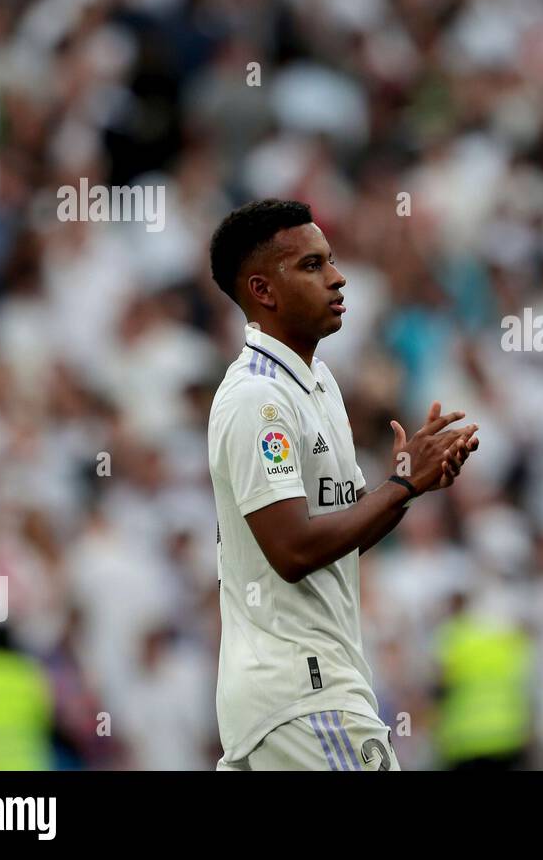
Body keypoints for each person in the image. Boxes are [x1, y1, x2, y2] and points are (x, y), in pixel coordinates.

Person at [207, 199, 479, 770]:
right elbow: (293, 548)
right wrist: (401, 487)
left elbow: (343, 528)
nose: (337, 277)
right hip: (303, 692)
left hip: (291, 693)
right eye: (311, 266)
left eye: (329, 260)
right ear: (263, 290)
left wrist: (409, 486)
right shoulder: (259, 398)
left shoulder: (319, 383)